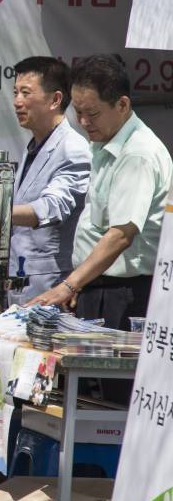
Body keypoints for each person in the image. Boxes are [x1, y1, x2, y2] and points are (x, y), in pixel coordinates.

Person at [32, 55, 173, 330]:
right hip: (97, 288)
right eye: (78, 112)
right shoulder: (104, 143)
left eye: (93, 113)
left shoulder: (137, 153)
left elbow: (120, 235)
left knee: (106, 374)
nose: (84, 121)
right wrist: (79, 283)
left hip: (125, 296)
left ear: (122, 105)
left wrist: (69, 284)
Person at [7, 57, 91, 306]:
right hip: (19, 280)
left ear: (55, 99)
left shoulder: (73, 148)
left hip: (50, 285)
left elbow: (53, 206)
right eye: (15, 92)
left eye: (25, 93)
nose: (17, 102)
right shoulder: (34, 143)